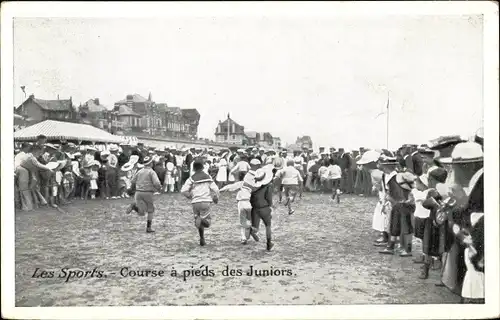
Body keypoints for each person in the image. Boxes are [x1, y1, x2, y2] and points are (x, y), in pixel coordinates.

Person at [181, 159, 220, 246]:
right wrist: (216, 197)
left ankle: (202, 238)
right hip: (206, 201)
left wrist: (189, 196)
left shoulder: (192, 178)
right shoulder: (208, 177)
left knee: (198, 219)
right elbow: (216, 189)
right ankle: (202, 220)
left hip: (195, 202)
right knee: (207, 223)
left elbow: (183, 190)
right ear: (203, 167)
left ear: (194, 169)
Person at [129, 156, 162, 233]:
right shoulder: (151, 172)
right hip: (148, 192)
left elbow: (133, 181)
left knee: (141, 212)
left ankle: (134, 207)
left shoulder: (140, 171)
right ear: (151, 163)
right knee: (151, 210)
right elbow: (156, 183)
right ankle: (148, 227)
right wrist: (159, 188)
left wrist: (133, 189)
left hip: (138, 192)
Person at [250, 167, 275, 251]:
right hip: (264, 208)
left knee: (255, 227)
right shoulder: (268, 186)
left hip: (254, 208)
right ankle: (268, 243)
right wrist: (271, 206)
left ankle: (251, 231)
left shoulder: (253, 187)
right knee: (268, 226)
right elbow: (269, 198)